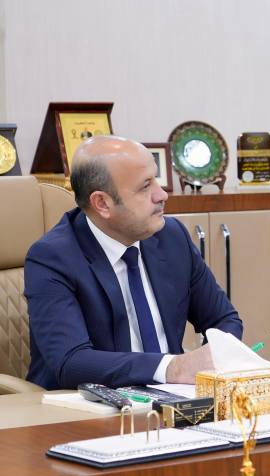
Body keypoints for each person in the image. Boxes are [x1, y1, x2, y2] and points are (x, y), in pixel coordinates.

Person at [25, 136, 242, 389]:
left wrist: (212, 361)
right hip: (89, 405)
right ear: (102, 203)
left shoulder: (171, 236)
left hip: (175, 399)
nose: (162, 195)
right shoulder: (52, 258)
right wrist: (172, 367)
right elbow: (71, 363)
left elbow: (224, 318)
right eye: (145, 187)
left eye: (156, 180)